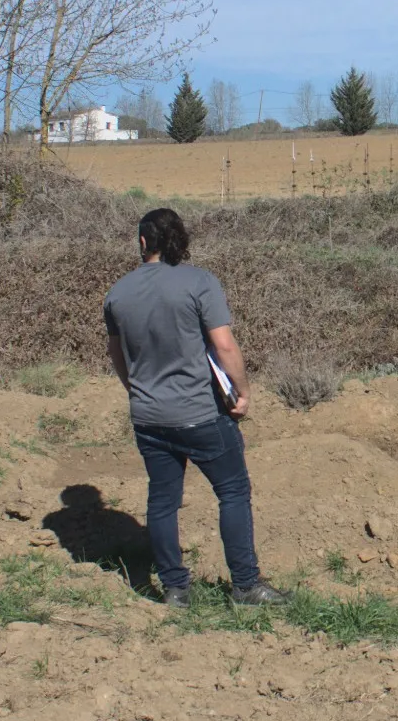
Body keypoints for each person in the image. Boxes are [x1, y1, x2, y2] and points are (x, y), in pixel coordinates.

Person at [105, 208, 286, 609]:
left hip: (148, 418)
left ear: (142, 242)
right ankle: (245, 585)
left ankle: (174, 590)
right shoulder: (199, 282)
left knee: (162, 500)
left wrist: (137, 391)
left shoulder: (117, 293)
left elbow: (117, 355)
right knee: (233, 491)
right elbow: (223, 345)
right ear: (180, 241)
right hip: (201, 413)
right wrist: (243, 392)